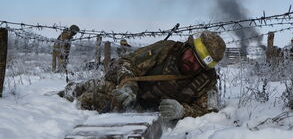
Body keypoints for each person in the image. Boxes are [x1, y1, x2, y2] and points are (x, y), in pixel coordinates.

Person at [59, 31, 226, 121]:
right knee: (100, 86)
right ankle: (74, 88)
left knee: (90, 100)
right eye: (191, 54)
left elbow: (208, 110)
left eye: (198, 63)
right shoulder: (166, 49)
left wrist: (183, 111)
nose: (191, 62)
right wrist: (128, 86)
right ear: (187, 46)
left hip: (142, 107)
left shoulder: (206, 81)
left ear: (205, 67)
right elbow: (128, 63)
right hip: (131, 91)